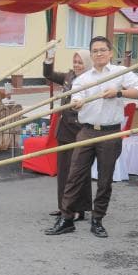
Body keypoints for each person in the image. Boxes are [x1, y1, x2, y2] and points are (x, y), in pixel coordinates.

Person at [46, 36, 138, 238]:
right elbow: (76, 95)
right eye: (95, 51)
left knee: (104, 179)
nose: (99, 54)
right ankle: (67, 218)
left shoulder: (121, 73)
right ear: (91, 55)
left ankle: (97, 219)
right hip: (86, 131)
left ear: (110, 53)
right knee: (74, 175)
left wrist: (119, 93)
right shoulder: (83, 79)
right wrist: (77, 102)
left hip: (110, 132)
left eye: (103, 50)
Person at [43, 41, 92, 221]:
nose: (77, 65)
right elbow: (48, 74)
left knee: (78, 171)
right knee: (63, 170)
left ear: (87, 64)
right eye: (75, 62)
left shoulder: (92, 79)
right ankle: (64, 206)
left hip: (80, 130)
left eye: (80, 62)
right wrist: (49, 56)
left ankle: (79, 208)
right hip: (64, 130)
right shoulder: (69, 76)